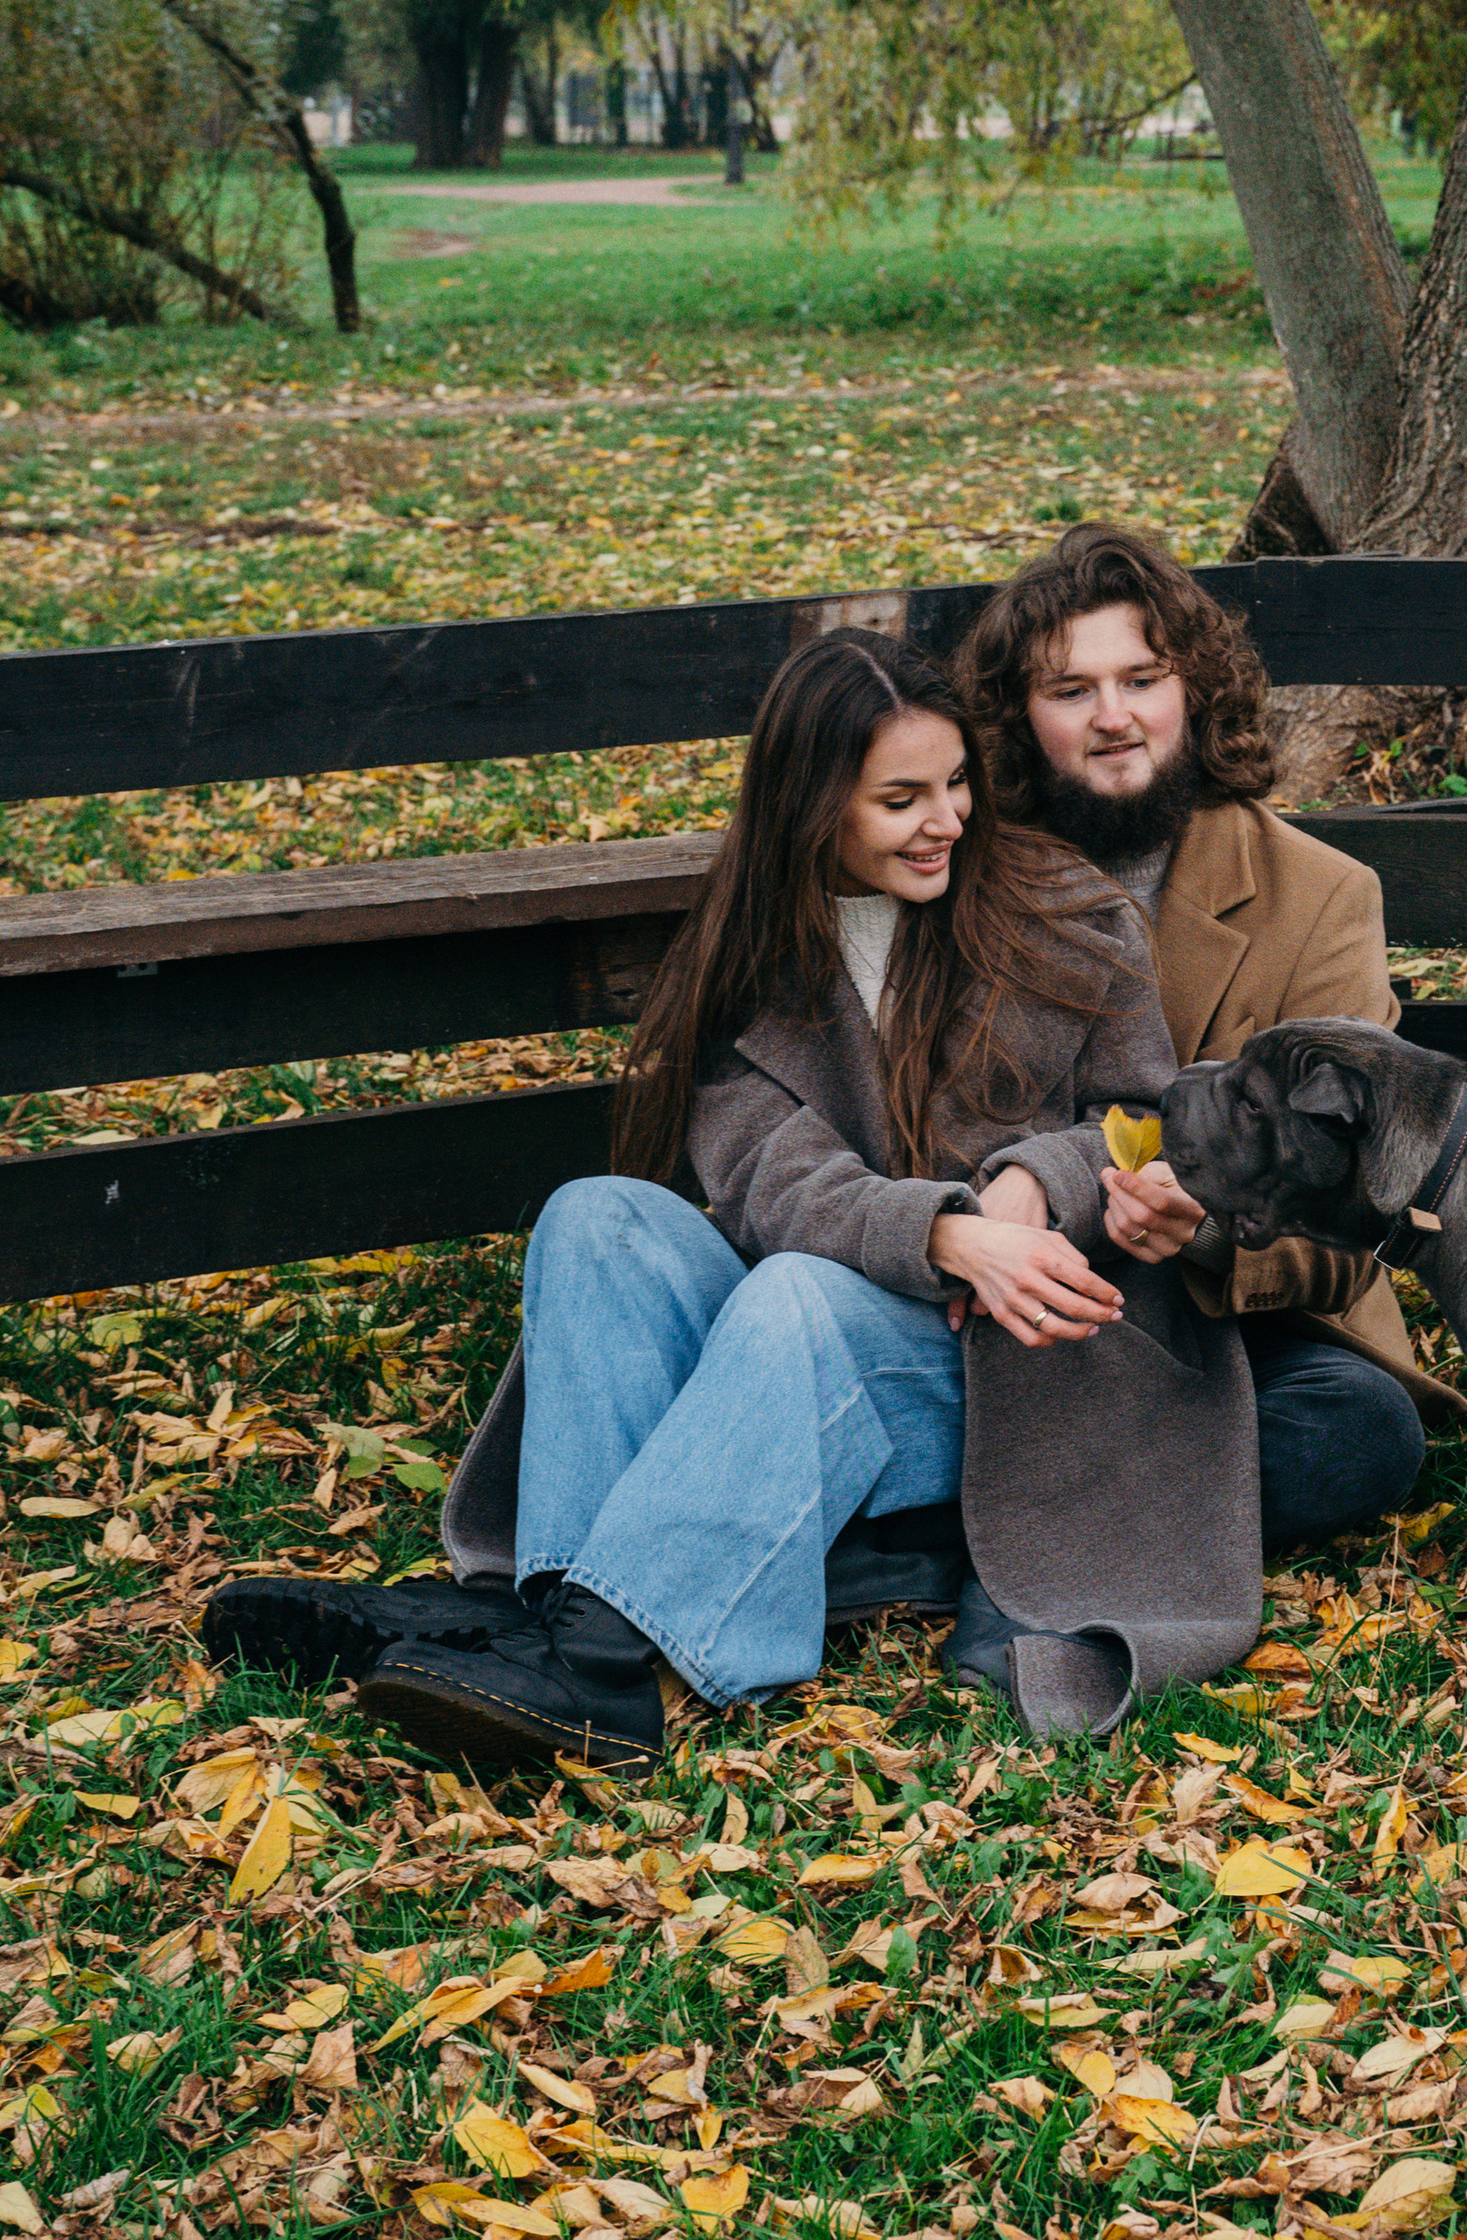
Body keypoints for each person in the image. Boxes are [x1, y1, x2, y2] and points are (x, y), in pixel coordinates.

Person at [206, 628, 1267, 1763]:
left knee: (799, 1296)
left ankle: (605, 1670)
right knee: (596, 1216)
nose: (947, 818)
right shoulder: (747, 954)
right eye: (900, 797)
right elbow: (776, 1183)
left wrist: (1027, 1182)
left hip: (1038, 1360)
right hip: (838, 1325)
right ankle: (549, 1614)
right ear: (813, 805)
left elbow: (1145, 1117)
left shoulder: (1063, 910)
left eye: (956, 782)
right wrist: (948, 1234)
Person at [952, 521, 1467, 1585]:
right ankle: (1077, 1534)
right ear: (1017, 718)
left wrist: (1207, 1234)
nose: (1113, 718)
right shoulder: (965, 873)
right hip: (1023, 1303)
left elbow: (1359, 1224)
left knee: (1362, 1430)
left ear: (1193, 688)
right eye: (1069, 691)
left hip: (1235, 1325)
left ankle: (960, 1550)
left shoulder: (1322, 895)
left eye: (1140, 678)